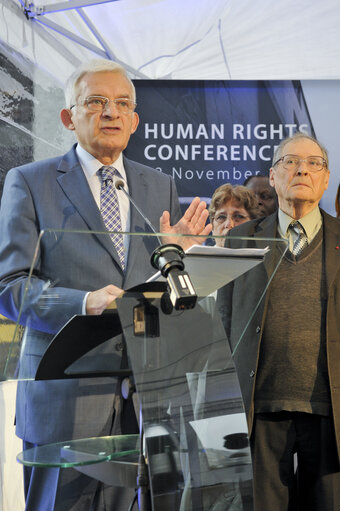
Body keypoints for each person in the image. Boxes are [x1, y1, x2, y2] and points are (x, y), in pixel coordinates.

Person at [0, 59, 211, 511]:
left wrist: (181, 260)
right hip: (64, 398)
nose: (110, 113)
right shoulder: (30, 183)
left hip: (147, 398)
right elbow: (11, 288)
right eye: (95, 102)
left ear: (135, 120)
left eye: (122, 104)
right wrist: (84, 302)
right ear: (68, 117)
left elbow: (164, 296)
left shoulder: (159, 187)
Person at [217, 133, 340, 510]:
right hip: (259, 409)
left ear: (325, 177)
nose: (301, 169)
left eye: (313, 163)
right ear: (272, 177)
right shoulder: (240, 239)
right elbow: (224, 322)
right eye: (290, 161)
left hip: (331, 412)